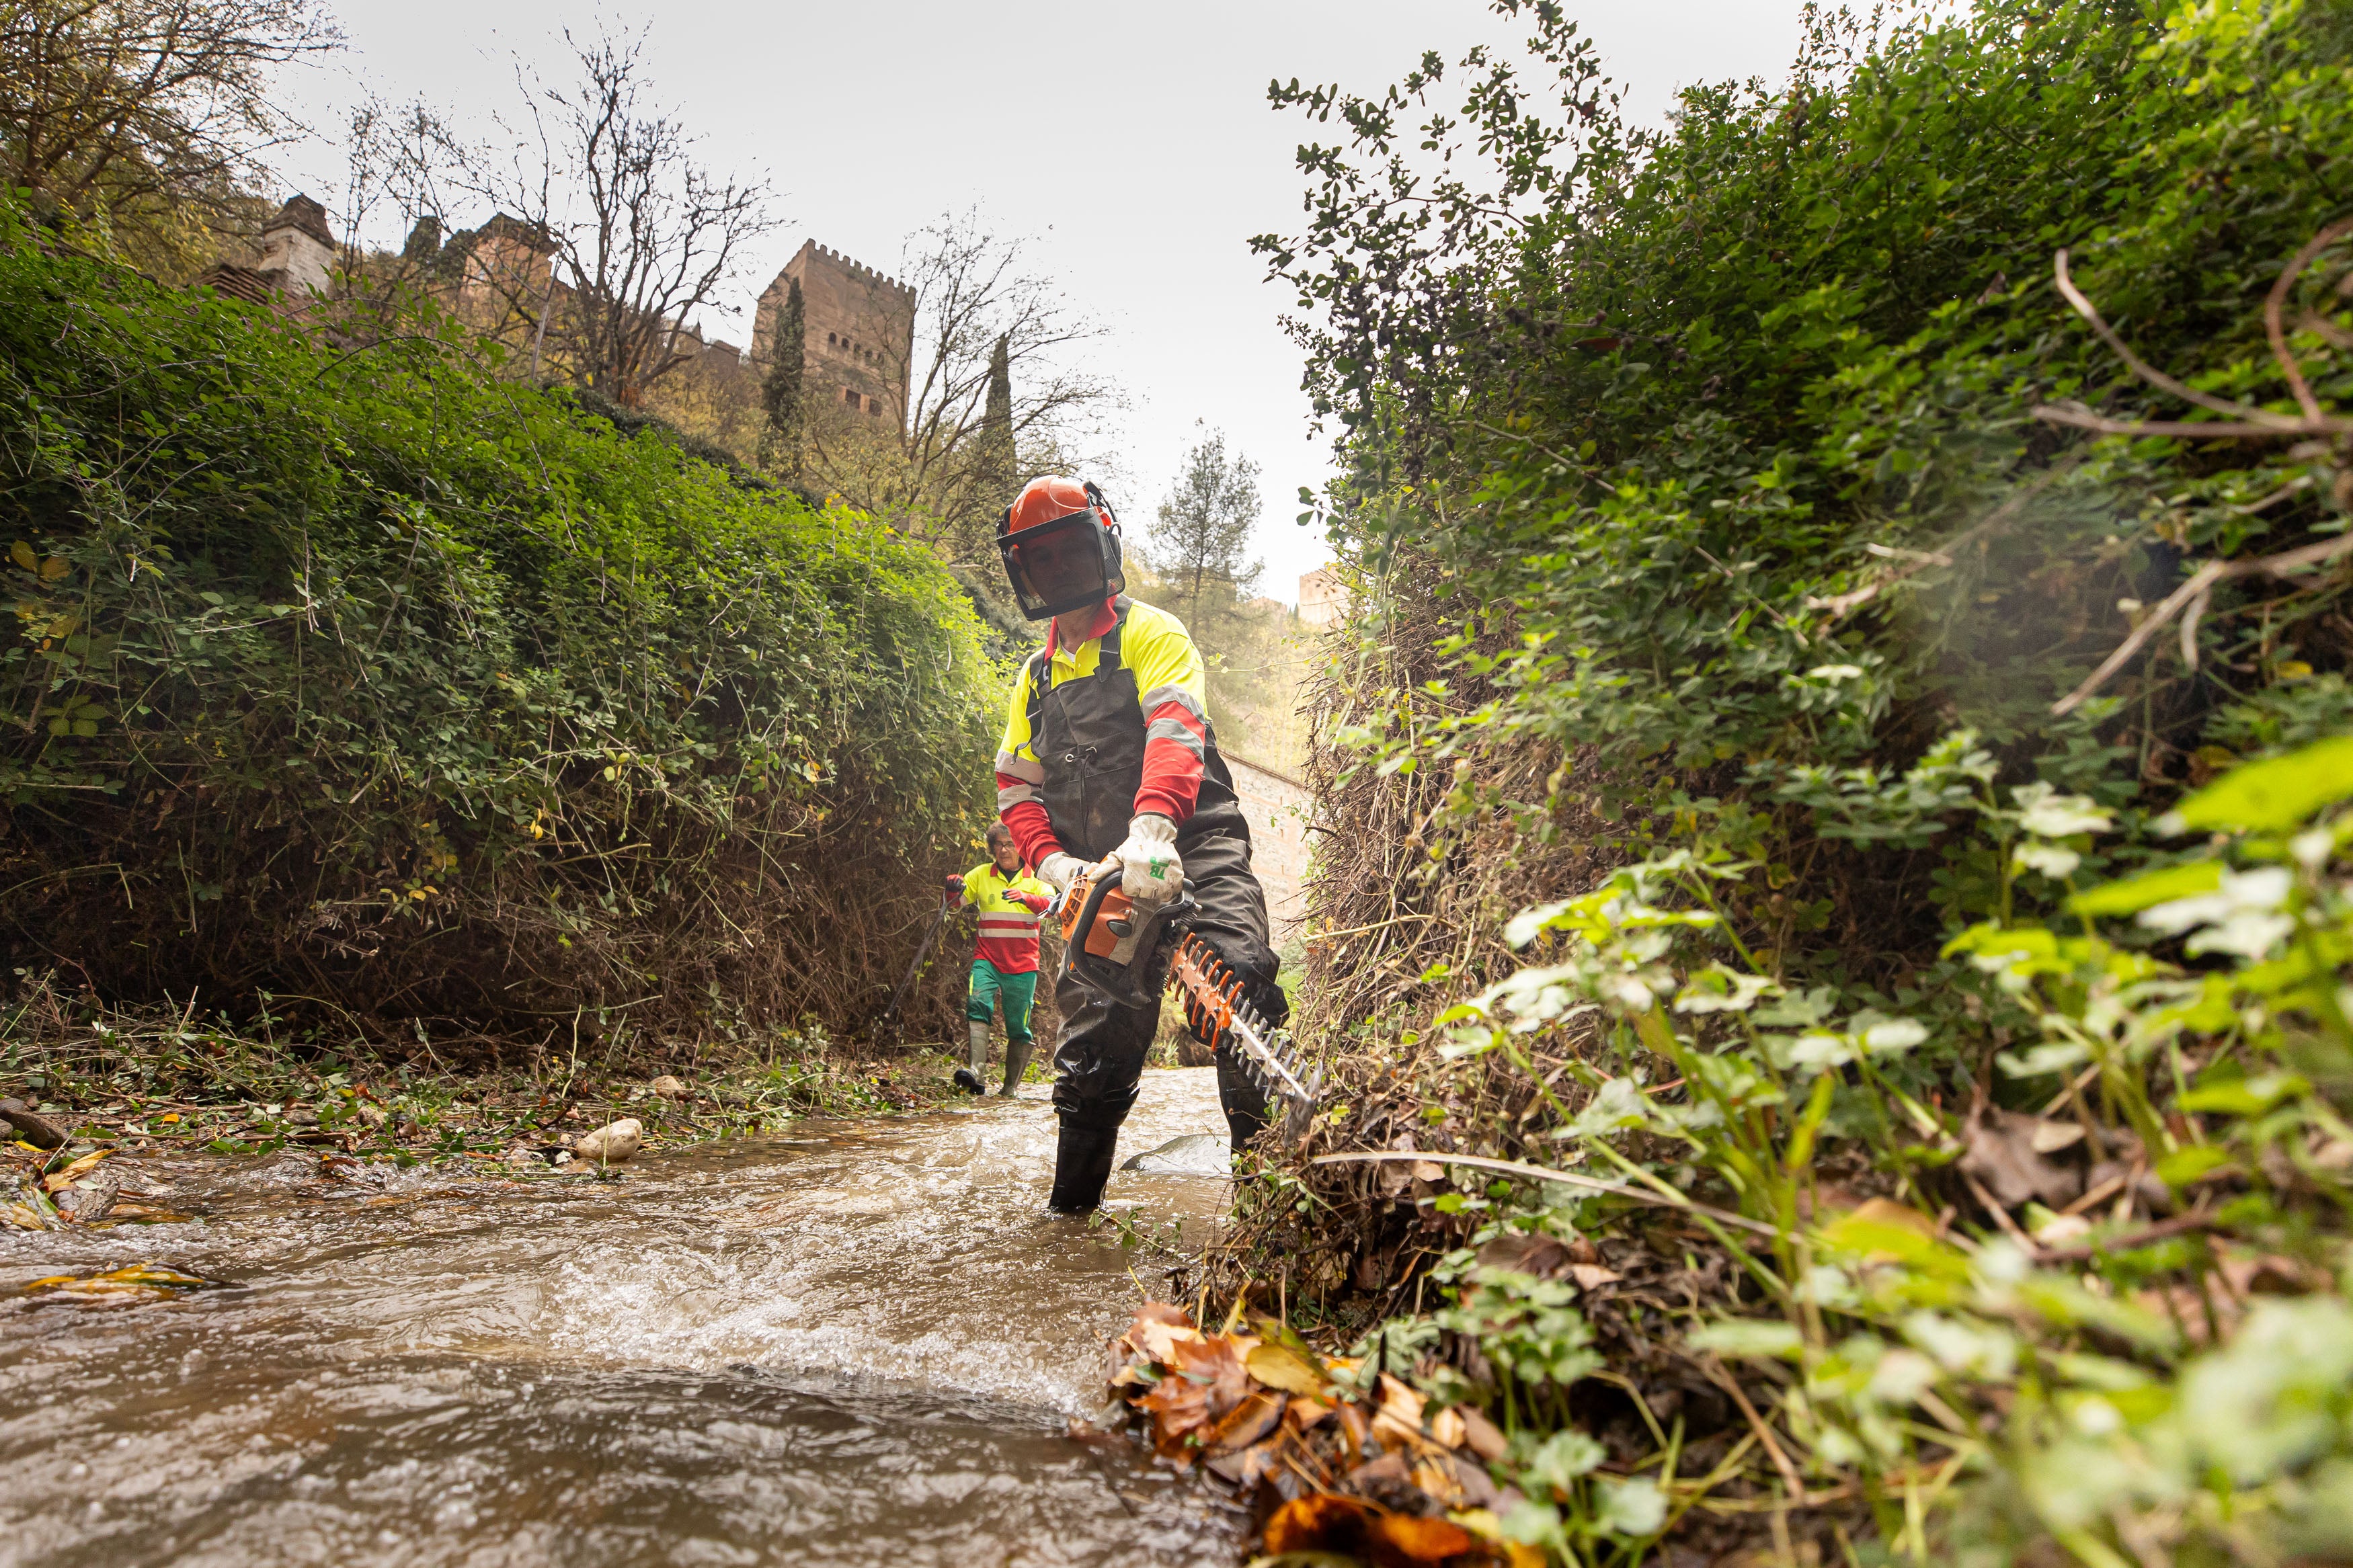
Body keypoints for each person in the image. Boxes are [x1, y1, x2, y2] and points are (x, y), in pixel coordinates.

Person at [990, 474, 1288, 1213]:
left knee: (1236, 982)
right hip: (1098, 879)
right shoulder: (1033, 681)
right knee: (1091, 1053)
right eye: (1042, 559)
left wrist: (1152, 826)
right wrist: (1055, 866)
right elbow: (1016, 793)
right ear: (1025, 570)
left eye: (1068, 551)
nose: (1058, 569)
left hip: (1193, 843)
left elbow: (1174, 730)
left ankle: (1270, 1208)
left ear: (1100, 547)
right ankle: (1068, 1218)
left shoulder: (1152, 633)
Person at [944, 823, 1053, 1098]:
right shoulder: (981, 875)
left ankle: (1009, 1089)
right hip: (988, 958)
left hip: (1023, 965)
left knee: (1018, 1026)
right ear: (993, 848)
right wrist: (951, 888)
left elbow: (1053, 907)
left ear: (1021, 847)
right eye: (999, 845)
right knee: (977, 1001)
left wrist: (1027, 898)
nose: (1004, 850)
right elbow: (955, 904)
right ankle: (975, 1072)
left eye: (1010, 844)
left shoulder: (1036, 877)